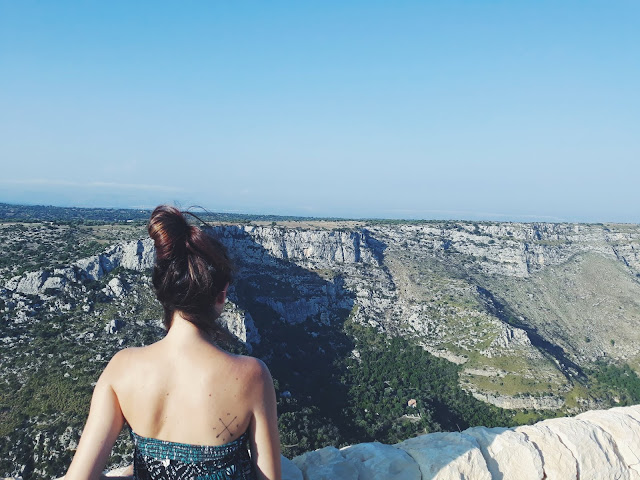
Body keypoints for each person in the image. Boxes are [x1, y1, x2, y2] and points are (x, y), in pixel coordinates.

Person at [65, 205, 281, 480]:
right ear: (221, 295)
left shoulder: (121, 368)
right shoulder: (253, 375)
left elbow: (79, 477)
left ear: (161, 293)